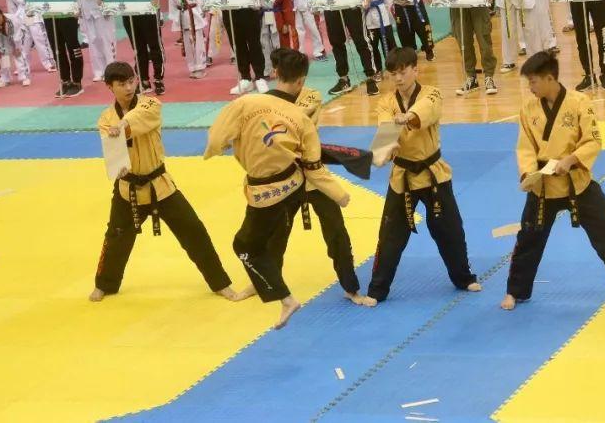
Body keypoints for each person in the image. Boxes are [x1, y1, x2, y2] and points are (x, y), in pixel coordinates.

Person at [204, 48, 355, 328]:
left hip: (277, 189)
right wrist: (340, 194)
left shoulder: (247, 103)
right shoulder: (298, 117)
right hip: (292, 184)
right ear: (300, 79)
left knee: (249, 245)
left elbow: (215, 138)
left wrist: (217, 148)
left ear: (275, 73)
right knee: (271, 241)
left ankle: (336, 290)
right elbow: (313, 164)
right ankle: (269, 287)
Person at [501, 51, 605, 311]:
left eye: (533, 81)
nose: (530, 87)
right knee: (528, 239)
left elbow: (593, 140)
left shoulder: (580, 102)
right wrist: (527, 174)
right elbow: (525, 146)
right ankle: (515, 292)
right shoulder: (528, 109)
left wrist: (571, 159)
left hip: (577, 181)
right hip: (543, 186)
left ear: (549, 78)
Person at [91, 61, 237, 302]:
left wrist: (123, 123)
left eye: (131, 81)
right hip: (128, 188)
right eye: (121, 84)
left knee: (194, 230)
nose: (128, 88)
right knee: (116, 237)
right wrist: (117, 146)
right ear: (109, 87)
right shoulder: (106, 119)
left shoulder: (150, 104)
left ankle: (220, 283)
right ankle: (105, 284)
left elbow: (140, 117)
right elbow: (113, 151)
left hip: (160, 184)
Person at [360, 47, 481, 305]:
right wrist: (383, 149)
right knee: (390, 236)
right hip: (402, 176)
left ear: (415, 69)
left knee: (450, 230)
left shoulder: (432, 93)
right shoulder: (386, 103)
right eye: (393, 74)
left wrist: (407, 117)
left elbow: (425, 110)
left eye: (403, 72)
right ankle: (377, 289)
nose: (398, 79)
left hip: (433, 173)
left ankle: (463, 278)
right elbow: (385, 128)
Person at [268, 48, 368, 297]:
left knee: (336, 232)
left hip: (313, 174)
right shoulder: (266, 102)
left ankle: (351, 288)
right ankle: (265, 282)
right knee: (276, 234)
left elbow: (289, 125)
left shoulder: (311, 96)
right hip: (284, 177)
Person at [6, 0, 56, 74]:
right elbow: (18, 3)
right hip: (23, 16)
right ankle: (23, 66)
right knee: (24, 42)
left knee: (40, 39)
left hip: (35, 14)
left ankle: (50, 63)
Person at [165, 0, 207, 79]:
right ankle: (192, 67)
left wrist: (201, 12)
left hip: (194, 15)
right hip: (182, 16)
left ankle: (201, 67)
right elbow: (172, 4)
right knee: (187, 44)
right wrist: (175, 18)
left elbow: (199, 0)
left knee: (198, 43)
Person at [364, 0, 398, 75]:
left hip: (382, 15)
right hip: (367, 16)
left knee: (389, 43)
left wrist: (387, 9)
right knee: (372, 46)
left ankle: (394, 67)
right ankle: (376, 70)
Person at [0, 5, 30, 90]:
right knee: (4, 56)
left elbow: (17, 35)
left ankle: (24, 77)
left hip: (20, 34)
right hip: (5, 37)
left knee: (18, 55)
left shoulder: (11, 20)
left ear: (1, 14)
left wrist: (17, 47)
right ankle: (5, 79)